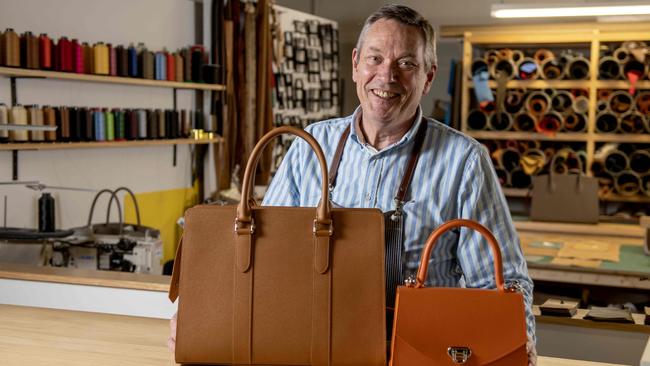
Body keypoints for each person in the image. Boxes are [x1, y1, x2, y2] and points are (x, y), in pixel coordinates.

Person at [170, 4, 537, 364]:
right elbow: (263, 261)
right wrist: (199, 313)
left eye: (406, 64)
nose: (387, 76)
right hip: (314, 346)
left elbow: (501, 284)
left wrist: (515, 343)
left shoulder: (464, 161)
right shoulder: (309, 148)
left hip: (417, 353)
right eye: (375, 59)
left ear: (428, 77)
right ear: (356, 64)